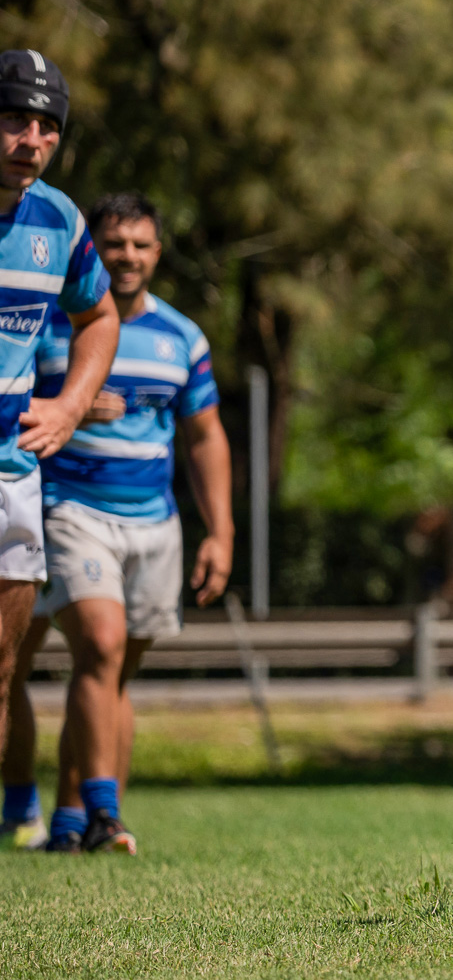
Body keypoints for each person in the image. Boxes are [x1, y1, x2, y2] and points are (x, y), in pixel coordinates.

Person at [3, 193, 231, 854]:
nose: (127, 257)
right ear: (90, 254)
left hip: (152, 521)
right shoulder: (48, 323)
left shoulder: (182, 337)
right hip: (63, 509)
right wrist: (72, 407)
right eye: (114, 245)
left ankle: (79, 821)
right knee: (88, 650)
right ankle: (61, 809)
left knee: (111, 675)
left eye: (141, 245)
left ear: (158, 253)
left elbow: (204, 435)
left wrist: (221, 530)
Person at [0, 49, 120, 851]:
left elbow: (100, 316)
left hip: (11, 470)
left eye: (47, 126)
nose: (31, 139)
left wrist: (71, 406)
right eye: (15, 118)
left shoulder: (60, 222)